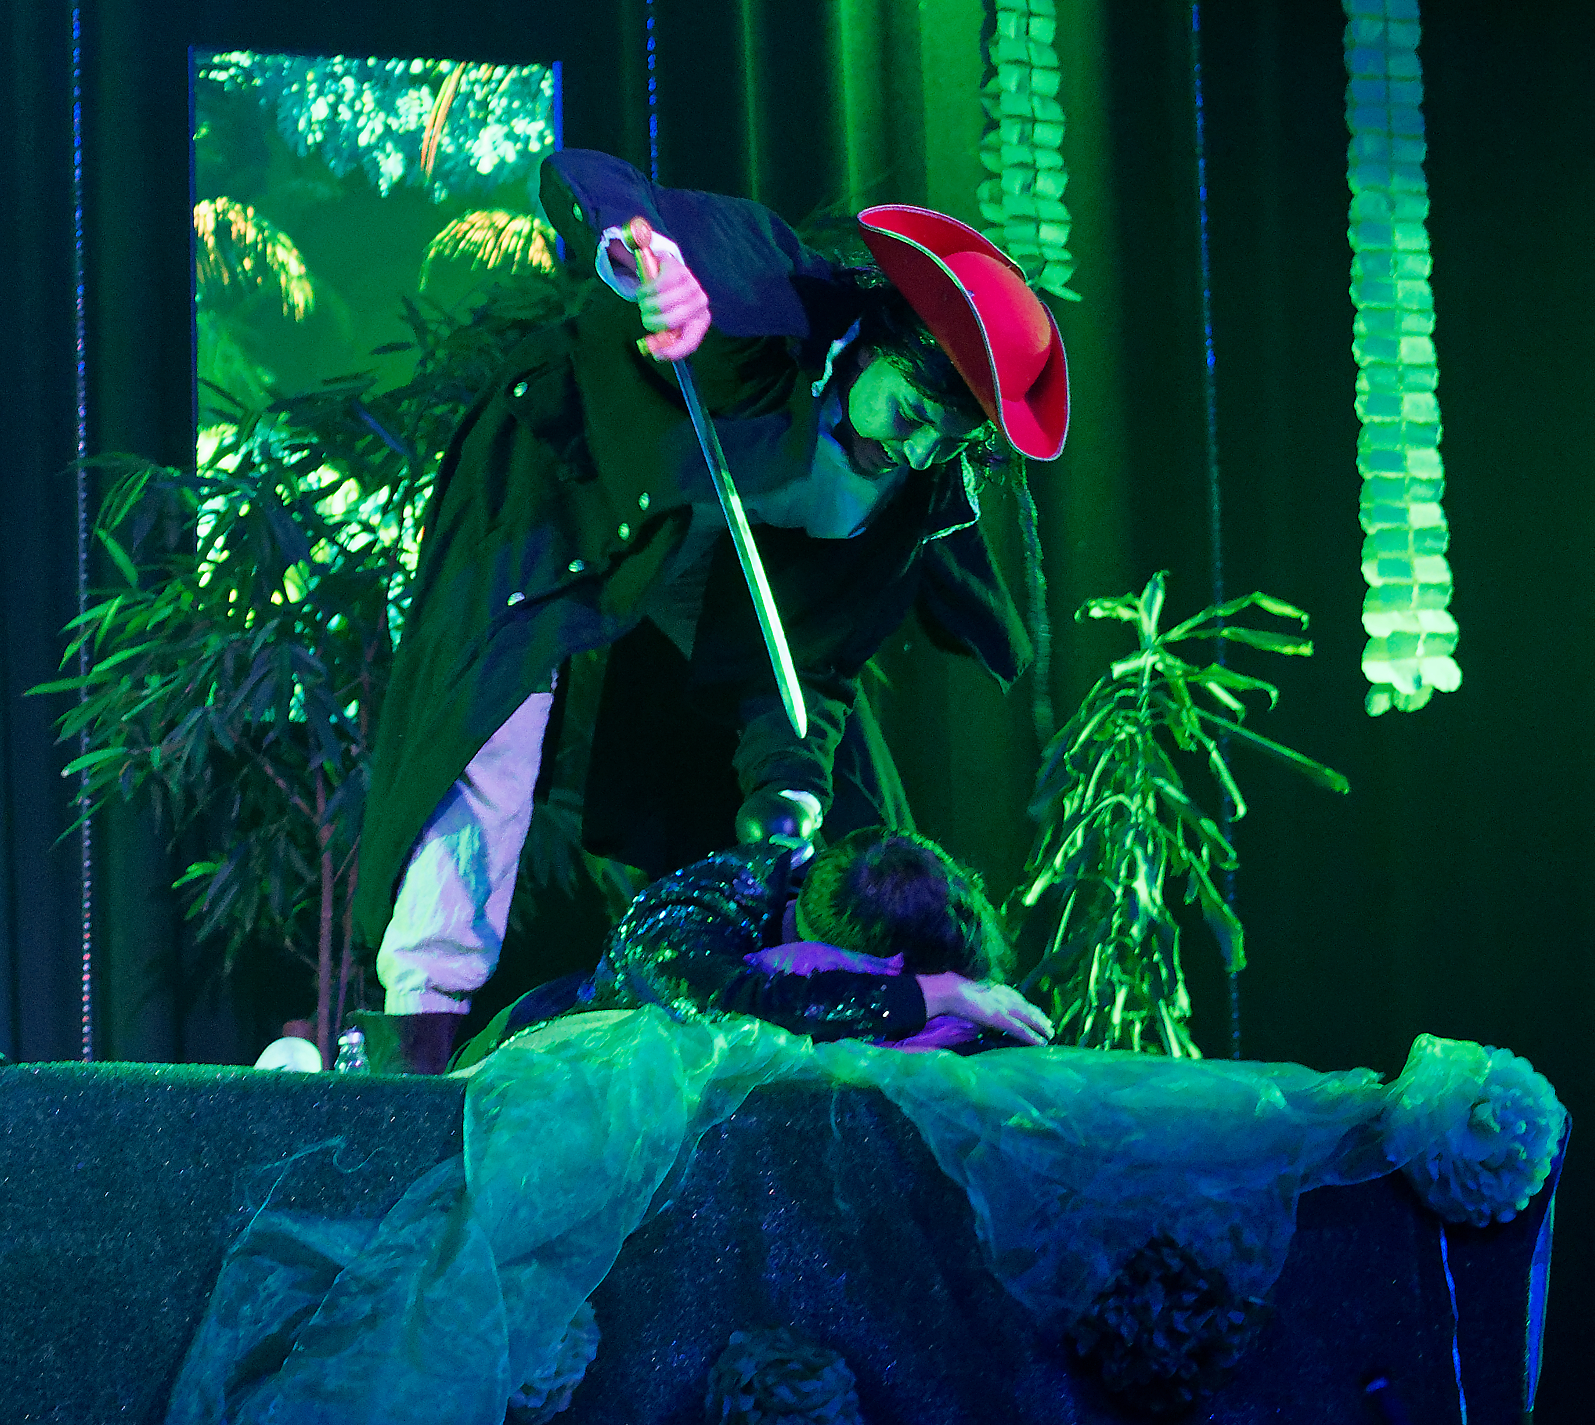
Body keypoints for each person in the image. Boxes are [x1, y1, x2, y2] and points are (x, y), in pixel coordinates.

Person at [348, 149, 1070, 1072]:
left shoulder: (910, 497)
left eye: (951, 440)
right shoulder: (770, 302)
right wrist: (648, 264)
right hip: (571, 491)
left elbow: (811, 660)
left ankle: (883, 1019)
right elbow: (596, 183)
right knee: (492, 732)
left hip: (710, 550)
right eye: (912, 413)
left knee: (841, 802)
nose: (920, 451)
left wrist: (788, 791)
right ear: (873, 348)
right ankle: (418, 1033)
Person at [455, 828, 1054, 1067]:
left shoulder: (873, 894)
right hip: (532, 1069)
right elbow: (739, 1007)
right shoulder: (680, 925)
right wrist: (930, 997)